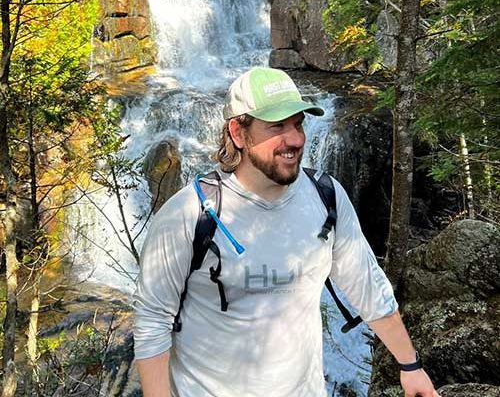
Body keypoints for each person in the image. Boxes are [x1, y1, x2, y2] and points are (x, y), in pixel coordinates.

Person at [133, 67, 439, 397]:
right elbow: (152, 320)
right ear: (238, 132)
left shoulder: (326, 196)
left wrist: (410, 365)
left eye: (298, 123)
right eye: (277, 125)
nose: (294, 139)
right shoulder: (190, 213)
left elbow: (366, 285)